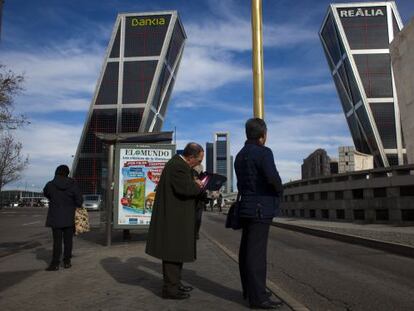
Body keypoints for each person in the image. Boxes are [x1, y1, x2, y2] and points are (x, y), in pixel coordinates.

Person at [234, 118, 283, 309]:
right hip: (261, 209)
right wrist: (279, 191)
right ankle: (258, 298)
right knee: (257, 255)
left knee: (246, 251)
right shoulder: (264, 152)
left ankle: (251, 290)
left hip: (246, 207)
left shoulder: (240, 155)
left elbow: (241, 183)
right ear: (262, 135)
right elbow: (273, 177)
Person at [145, 143, 204, 300]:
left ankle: (175, 284)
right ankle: (171, 289)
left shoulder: (178, 165)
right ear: (191, 157)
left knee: (177, 252)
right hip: (174, 218)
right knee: (172, 253)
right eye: (198, 160)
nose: (199, 164)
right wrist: (199, 185)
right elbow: (185, 189)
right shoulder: (178, 166)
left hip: (176, 216)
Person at [43, 164, 83, 271]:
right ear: (67, 173)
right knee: (68, 241)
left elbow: (46, 193)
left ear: (56, 172)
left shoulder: (50, 184)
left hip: (55, 216)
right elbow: (79, 201)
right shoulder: (73, 184)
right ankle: (67, 262)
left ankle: (55, 263)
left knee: (57, 241)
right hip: (69, 217)